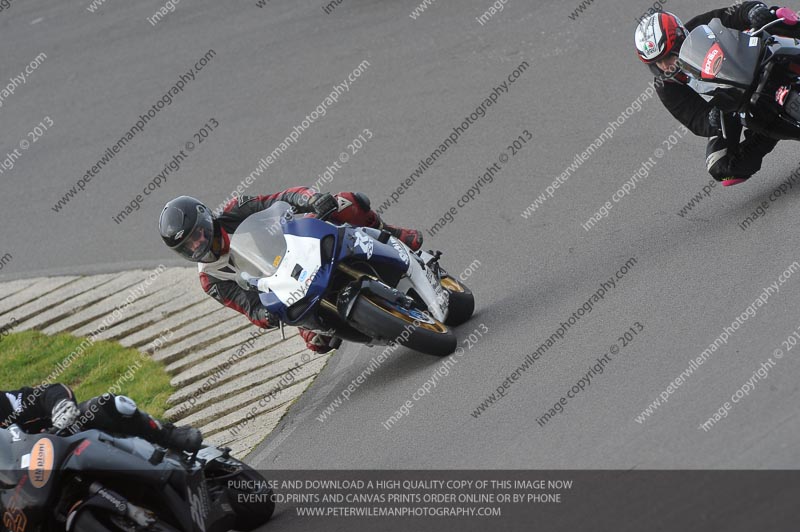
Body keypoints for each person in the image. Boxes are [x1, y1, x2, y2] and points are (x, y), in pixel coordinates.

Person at [159, 188, 423, 353]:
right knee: (316, 342)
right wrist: (266, 315)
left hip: (300, 248)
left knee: (345, 202)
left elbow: (279, 199)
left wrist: (310, 199)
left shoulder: (234, 210)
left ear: (206, 219)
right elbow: (248, 307)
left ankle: (391, 233)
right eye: (187, 245)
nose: (197, 244)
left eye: (196, 235)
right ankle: (370, 323)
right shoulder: (210, 279)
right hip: (287, 290)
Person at [634, 3, 787, 186]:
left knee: (773, 15)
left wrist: (752, 11)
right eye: (658, 62)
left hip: (754, 60)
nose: (666, 65)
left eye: (668, 56)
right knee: (720, 166)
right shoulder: (667, 85)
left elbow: (733, 15)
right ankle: (769, 132)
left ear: (681, 38)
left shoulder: (701, 28)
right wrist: (711, 119)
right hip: (728, 105)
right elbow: (693, 118)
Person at [0, 383, 202, 452]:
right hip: (27, 492)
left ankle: (167, 435)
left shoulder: (5, 404)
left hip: (63, 439)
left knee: (105, 405)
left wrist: (60, 405)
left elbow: (46, 393)